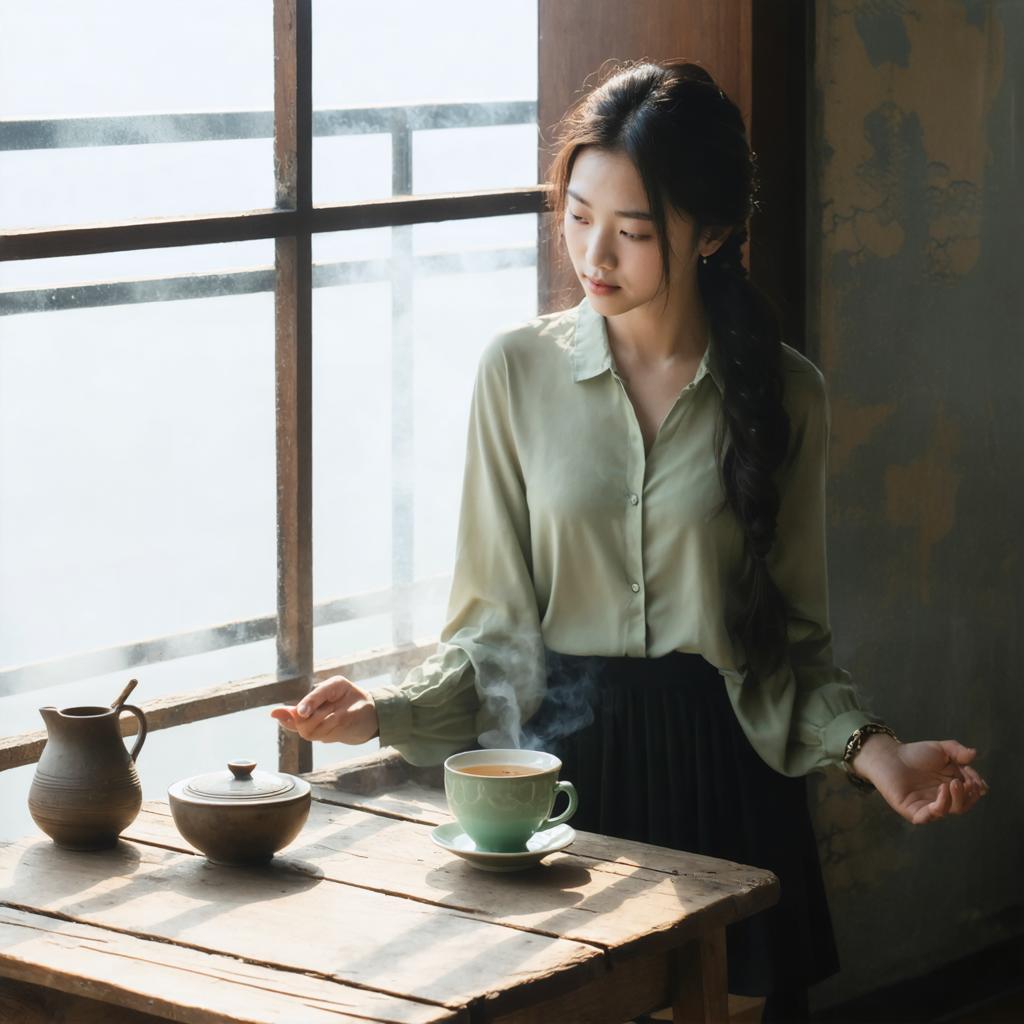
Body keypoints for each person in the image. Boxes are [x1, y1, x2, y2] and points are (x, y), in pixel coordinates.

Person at [273, 59, 988, 1023]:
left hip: (727, 784)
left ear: (716, 233)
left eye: (634, 231)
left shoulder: (786, 395)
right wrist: (383, 709)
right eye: (576, 215)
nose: (592, 254)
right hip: (563, 786)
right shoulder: (515, 374)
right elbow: (493, 637)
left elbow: (789, 648)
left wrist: (877, 753)